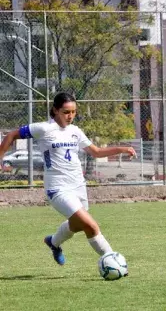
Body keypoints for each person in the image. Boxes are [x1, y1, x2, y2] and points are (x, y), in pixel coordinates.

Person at [0, 92, 136, 266]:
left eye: (73, 112)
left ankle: (53, 242)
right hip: (57, 188)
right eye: (66, 112)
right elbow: (11, 135)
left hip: (78, 185)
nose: (70, 116)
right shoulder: (43, 128)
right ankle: (112, 260)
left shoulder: (75, 131)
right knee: (91, 226)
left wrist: (122, 149)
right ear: (55, 110)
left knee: (77, 225)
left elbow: (95, 152)